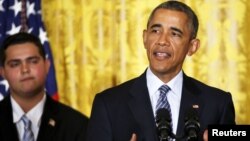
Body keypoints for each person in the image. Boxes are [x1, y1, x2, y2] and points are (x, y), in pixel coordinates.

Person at [86, 1, 235, 141]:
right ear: (145, 38)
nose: (162, 40)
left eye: (174, 33)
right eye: (156, 30)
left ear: (192, 46)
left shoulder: (217, 104)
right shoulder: (108, 104)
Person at [0, 32, 88, 141]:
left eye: (32, 61)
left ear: (47, 66)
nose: (25, 70)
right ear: (3, 72)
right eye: (15, 64)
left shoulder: (78, 126)